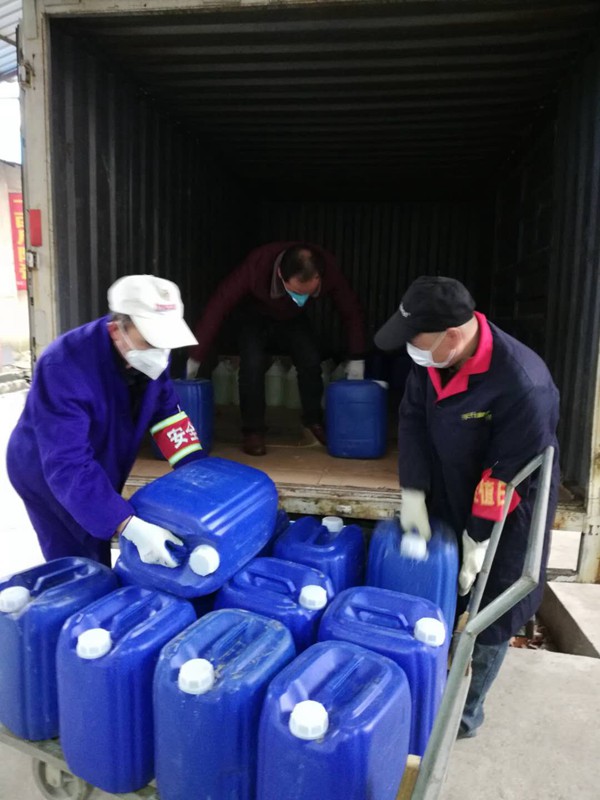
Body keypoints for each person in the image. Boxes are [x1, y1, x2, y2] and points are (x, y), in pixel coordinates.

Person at [375, 275, 560, 738]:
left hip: (511, 502)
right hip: (450, 480)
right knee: (444, 585)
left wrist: (478, 537)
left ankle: (464, 714)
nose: (411, 352)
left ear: (454, 335)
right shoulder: (433, 359)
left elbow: (508, 472)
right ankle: (430, 686)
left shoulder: (523, 383)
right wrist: (414, 492)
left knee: (492, 605)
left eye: (416, 341)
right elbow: (412, 420)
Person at [7, 274, 205, 569]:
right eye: (150, 341)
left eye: (165, 343)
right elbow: (67, 464)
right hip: (47, 472)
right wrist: (127, 525)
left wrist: (199, 473)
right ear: (116, 330)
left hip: (99, 457)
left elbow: (168, 416)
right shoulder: (63, 365)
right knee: (82, 560)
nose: (160, 353)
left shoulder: (148, 355)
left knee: (100, 529)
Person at [186, 242, 366, 456]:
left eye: (308, 293)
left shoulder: (328, 268)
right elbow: (219, 304)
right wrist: (196, 356)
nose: (302, 298)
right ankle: (253, 431)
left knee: (310, 359)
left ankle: (313, 422)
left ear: (318, 277)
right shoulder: (257, 265)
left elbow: (350, 310)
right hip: (255, 315)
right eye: (296, 292)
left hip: (293, 317)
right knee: (252, 365)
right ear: (280, 274)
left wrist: (357, 356)